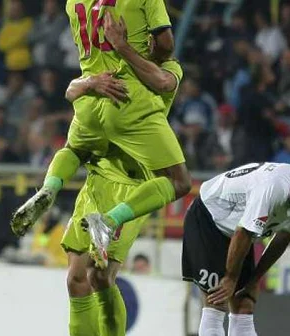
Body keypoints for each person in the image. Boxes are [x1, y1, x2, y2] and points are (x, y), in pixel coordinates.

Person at [11, 1, 191, 271]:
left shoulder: (74, 3)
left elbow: (71, 89)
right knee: (179, 182)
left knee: (73, 149)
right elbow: (165, 56)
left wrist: (91, 82)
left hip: (90, 100)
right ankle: (110, 220)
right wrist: (126, 46)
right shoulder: (164, 57)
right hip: (128, 110)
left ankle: (49, 188)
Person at [59, 23, 184, 336]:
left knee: (101, 277)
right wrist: (91, 82)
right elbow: (71, 90)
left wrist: (123, 47)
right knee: (75, 278)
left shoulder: (169, 68)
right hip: (99, 176)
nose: (151, 45)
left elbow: (163, 82)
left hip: (132, 184)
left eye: (153, 40)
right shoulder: (111, 65)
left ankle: (111, 221)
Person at [182, 162, 290, 336]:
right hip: (209, 218)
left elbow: (282, 239)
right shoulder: (274, 186)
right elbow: (243, 233)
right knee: (217, 303)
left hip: (241, 232)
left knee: (244, 305)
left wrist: (254, 279)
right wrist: (231, 278)